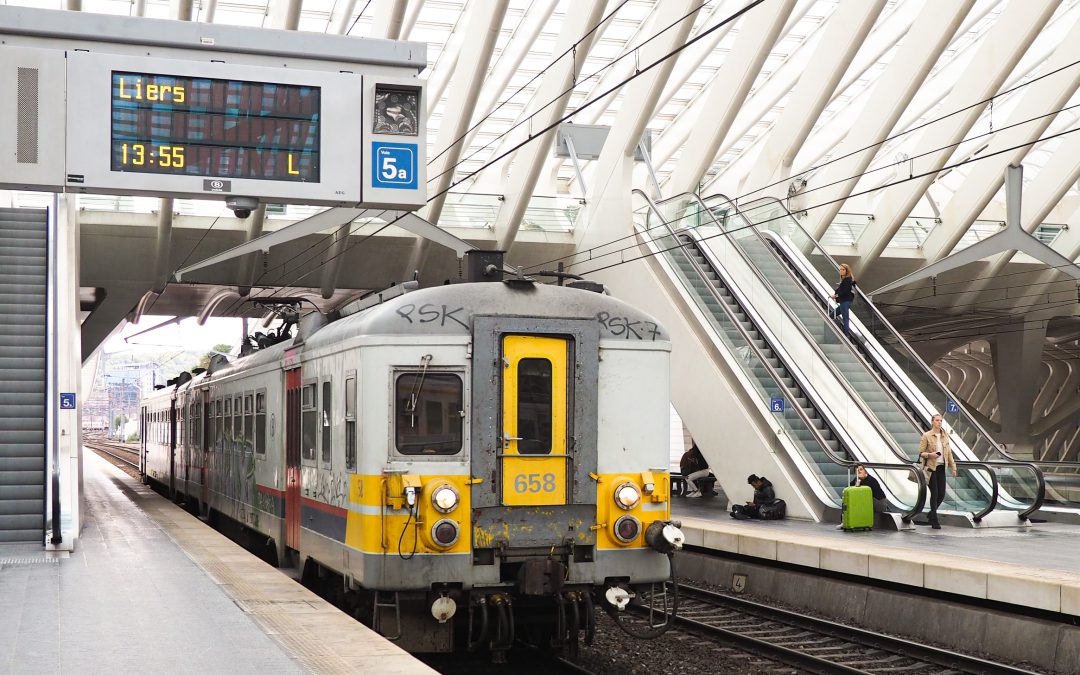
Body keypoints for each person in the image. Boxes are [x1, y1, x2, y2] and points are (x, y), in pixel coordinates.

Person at [918, 414, 958, 529]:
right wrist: (930, 455)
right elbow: (920, 453)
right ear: (932, 422)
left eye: (941, 421)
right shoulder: (927, 436)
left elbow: (949, 453)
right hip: (931, 468)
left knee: (942, 494)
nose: (939, 422)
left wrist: (953, 467)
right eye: (937, 420)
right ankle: (934, 520)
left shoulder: (945, 436)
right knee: (935, 493)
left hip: (941, 468)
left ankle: (931, 513)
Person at [832, 263, 857, 337]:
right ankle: (841, 333)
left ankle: (846, 336)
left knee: (845, 318)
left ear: (846, 271)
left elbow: (845, 292)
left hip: (845, 301)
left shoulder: (847, 280)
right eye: (840, 269)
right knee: (831, 315)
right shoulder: (845, 280)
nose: (841, 271)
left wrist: (836, 295)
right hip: (844, 302)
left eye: (843, 269)